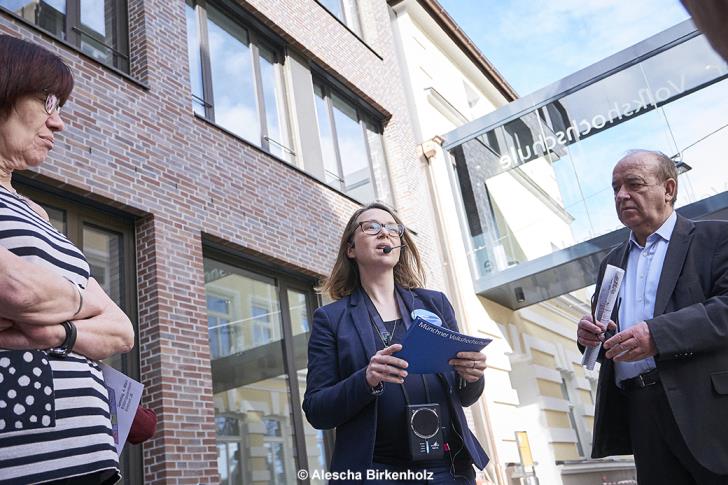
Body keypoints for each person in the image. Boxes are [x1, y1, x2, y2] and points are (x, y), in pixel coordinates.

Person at [0, 34, 135, 484]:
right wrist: (83, 305)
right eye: (47, 101)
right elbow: (14, 289)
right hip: (23, 458)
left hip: (89, 455)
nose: (58, 124)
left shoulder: (34, 211)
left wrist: (52, 326)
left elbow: (120, 330)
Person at [303, 202, 489, 484]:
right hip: (375, 472)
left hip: (448, 469)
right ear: (351, 249)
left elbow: (465, 396)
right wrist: (366, 379)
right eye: (371, 227)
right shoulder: (330, 319)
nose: (384, 233)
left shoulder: (434, 303)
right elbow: (317, 410)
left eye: (392, 228)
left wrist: (472, 376)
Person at [576, 149, 728, 485]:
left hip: (708, 410)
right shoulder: (611, 263)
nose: (621, 195)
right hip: (641, 411)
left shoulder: (717, 238)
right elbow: (607, 333)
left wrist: (657, 336)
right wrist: (591, 337)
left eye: (634, 184)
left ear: (669, 189)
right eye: (615, 187)